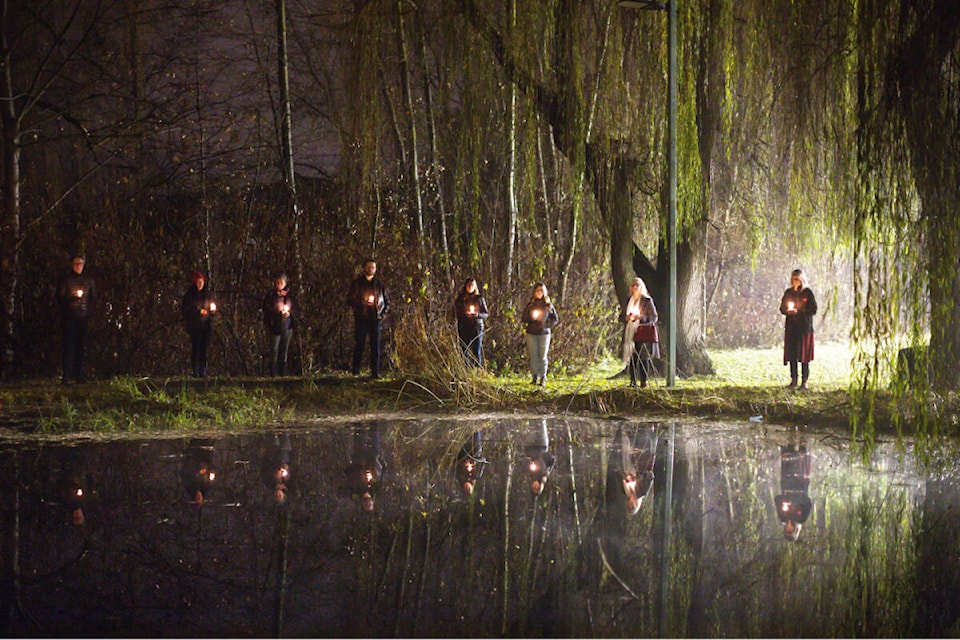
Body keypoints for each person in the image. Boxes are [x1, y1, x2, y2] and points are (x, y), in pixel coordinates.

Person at [347, 258, 390, 378]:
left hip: (375, 319)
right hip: (361, 318)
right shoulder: (357, 283)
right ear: (364, 268)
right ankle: (355, 371)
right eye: (369, 267)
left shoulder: (379, 284)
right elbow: (350, 299)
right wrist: (362, 303)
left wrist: (382, 314)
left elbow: (386, 301)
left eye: (373, 267)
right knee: (359, 344)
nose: (371, 269)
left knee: (375, 346)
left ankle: (375, 372)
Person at [56, 255, 95, 384]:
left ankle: (80, 375)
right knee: (69, 346)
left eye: (80, 264)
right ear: (72, 265)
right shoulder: (66, 279)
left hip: (82, 316)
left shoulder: (88, 280)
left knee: (81, 346)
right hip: (69, 317)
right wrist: (71, 299)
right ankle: (66, 376)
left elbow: (93, 297)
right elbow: (59, 297)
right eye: (76, 264)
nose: (78, 266)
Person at [779, 269, 817, 390]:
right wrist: (788, 311)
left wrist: (799, 312)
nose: (795, 281)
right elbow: (782, 308)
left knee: (804, 356)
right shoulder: (788, 293)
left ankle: (804, 381)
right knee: (792, 355)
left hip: (804, 329)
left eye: (797, 278)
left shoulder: (807, 293)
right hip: (792, 328)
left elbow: (813, 309)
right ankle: (793, 379)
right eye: (793, 279)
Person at [620, 277, 660, 388]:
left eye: (637, 285)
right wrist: (626, 318)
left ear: (641, 287)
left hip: (642, 331)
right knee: (633, 356)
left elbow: (654, 317)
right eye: (633, 285)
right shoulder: (629, 301)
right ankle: (633, 381)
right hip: (631, 332)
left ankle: (643, 381)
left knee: (643, 357)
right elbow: (622, 316)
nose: (635, 287)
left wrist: (641, 317)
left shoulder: (647, 301)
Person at [521, 282, 559, 386]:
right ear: (534, 292)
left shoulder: (548, 305)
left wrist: (546, 325)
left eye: (541, 290)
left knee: (542, 356)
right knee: (533, 356)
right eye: (537, 290)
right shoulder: (530, 305)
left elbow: (555, 319)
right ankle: (534, 376)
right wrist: (531, 319)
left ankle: (543, 377)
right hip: (532, 333)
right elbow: (523, 318)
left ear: (544, 292)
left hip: (544, 333)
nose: (539, 292)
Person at [181, 270, 217, 378]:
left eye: (201, 282)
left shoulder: (207, 294)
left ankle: (203, 371)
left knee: (204, 349)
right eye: (198, 282)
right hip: (195, 326)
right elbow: (186, 309)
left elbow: (212, 309)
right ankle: (195, 370)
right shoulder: (189, 295)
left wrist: (212, 311)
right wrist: (198, 312)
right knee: (196, 347)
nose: (200, 284)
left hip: (206, 325)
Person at [774, 443, 812, 541]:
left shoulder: (782, 517)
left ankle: (788, 437)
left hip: (787, 484)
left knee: (787, 453)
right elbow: (808, 502)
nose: (789, 528)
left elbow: (777, 499)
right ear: (795, 530)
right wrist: (795, 504)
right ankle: (803, 436)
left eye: (787, 530)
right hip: (801, 484)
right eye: (791, 530)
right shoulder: (801, 518)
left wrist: (785, 501)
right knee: (802, 453)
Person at [344, 426, 387, 512]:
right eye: (370, 505)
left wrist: (354, 466)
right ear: (373, 503)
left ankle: (359, 424)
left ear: (362, 504)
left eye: (366, 505)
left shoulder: (355, 490)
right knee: (375, 439)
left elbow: (348, 473)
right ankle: (374, 424)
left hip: (359, 461)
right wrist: (382, 463)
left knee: (359, 438)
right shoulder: (377, 489)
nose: (368, 503)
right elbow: (382, 474)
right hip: (373, 460)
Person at [261, 272, 294, 376]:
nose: (279, 284)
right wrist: (278, 313)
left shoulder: (289, 295)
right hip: (274, 326)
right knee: (274, 350)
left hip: (287, 326)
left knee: (284, 350)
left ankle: (282, 373)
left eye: (281, 282)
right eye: (277, 282)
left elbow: (296, 308)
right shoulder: (270, 295)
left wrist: (289, 313)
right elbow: (266, 309)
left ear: (285, 283)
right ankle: (273, 374)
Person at [453, 278, 489, 367]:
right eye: (468, 285)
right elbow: (455, 312)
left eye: (472, 285)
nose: (470, 287)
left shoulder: (479, 298)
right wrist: (465, 314)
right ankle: (466, 368)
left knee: (476, 349)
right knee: (464, 348)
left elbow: (486, 313)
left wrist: (477, 315)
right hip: (464, 326)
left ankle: (478, 369)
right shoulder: (461, 299)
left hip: (476, 326)